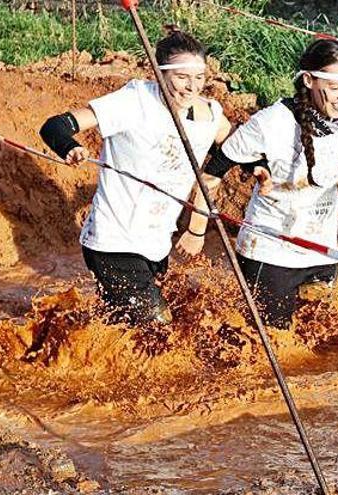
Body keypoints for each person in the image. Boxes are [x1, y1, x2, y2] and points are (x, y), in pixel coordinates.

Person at [178, 39, 338, 329]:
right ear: (308, 80)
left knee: (324, 337)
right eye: (335, 87)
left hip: (320, 249)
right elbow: (213, 173)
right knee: (270, 343)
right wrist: (196, 231)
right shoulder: (271, 122)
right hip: (269, 253)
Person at [39, 28, 233, 325]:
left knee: (126, 328)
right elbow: (54, 126)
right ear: (159, 73)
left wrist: (198, 222)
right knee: (156, 326)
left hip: (156, 242)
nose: (190, 88)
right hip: (112, 240)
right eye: (181, 78)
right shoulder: (134, 101)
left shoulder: (209, 114)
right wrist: (70, 146)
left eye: (198, 79)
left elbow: (234, 149)